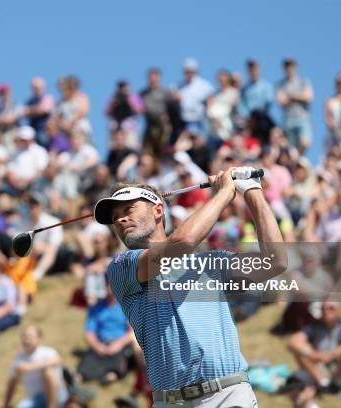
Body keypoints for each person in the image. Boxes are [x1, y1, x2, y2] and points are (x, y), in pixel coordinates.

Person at [93, 166, 286, 407]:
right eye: (114, 218)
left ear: (158, 210)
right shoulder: (122, 267)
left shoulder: (210, 262)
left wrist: (252, 191)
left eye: (128, 209)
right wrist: (225, 193)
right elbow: (182, 242)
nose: (120, 219)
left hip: (227, 396)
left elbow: (275, 262)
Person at [287, 301, 341, 393]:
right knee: (300, 351)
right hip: (320, 366)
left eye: (331, 308)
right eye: (323, 309)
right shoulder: (313, 327)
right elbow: (292, 342)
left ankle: (339, 384)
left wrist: (332, 354)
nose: (326, 311)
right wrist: (315, 355)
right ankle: (323, 384)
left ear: (339, 311)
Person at [77, 277, 134, 384]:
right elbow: (89, 332)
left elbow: (132, 332)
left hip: (120, 343)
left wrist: (118, 344)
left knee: (118, 357)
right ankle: (79, 377)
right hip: (101, 342)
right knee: (90, 358)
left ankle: (110, 376)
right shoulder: (96, 308)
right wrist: (98, 347)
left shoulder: (126, 306)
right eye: (108, 285)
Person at [4, 325, 68, 408]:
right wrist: (5, 404)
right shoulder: (18, 359)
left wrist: (29, 367)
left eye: (30, 337)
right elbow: (12, 384)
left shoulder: (48, 352)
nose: (27, 340)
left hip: (58, 396)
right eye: (24, 336)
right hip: (35, 399)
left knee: (48, 372)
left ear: (39, 338)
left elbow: (57, 359)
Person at [276, 59, 314, 154]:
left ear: (295, 67)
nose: (289, 68)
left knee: (305, 143)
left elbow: (309, 97)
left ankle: (298, 160)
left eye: (291, 65)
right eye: (287, 66)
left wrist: (291, 96)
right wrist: (299, 96)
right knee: (291, 149)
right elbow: (281, 101)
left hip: (302, 118)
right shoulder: (280, 85)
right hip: (288, 120)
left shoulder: (304, 82)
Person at [177, 58, 214, 136]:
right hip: (184, 120)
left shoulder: (203, 85)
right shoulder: (179, 85)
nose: (189, 74)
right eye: (187, 71)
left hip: (199, 119)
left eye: (191, 71)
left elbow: (210, 97)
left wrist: (209, 110)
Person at [140, 68, 172, 156]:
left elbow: (172, 107)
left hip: (162, 125)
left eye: (154, 77)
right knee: (147, 151)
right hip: (150, 125)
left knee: (163, 148)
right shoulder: (143, 93)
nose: (152, 79)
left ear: (159, 78)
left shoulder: (165, 92)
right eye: (150, 77)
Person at [24, 77, 55, 144]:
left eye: (38, 88)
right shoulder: (30, 101)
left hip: (44, 129)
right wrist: (36, 110)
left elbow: (43, 110)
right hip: (33, 128)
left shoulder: (48, 98)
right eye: (34, 88)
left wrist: (31, 111)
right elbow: (25, 112)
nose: (36, 90)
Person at [324, 73, 341, 155]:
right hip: (333, 136)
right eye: (338, 83)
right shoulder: (330, 100)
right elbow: (328, 118)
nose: (340, 85)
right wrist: (336, 131)